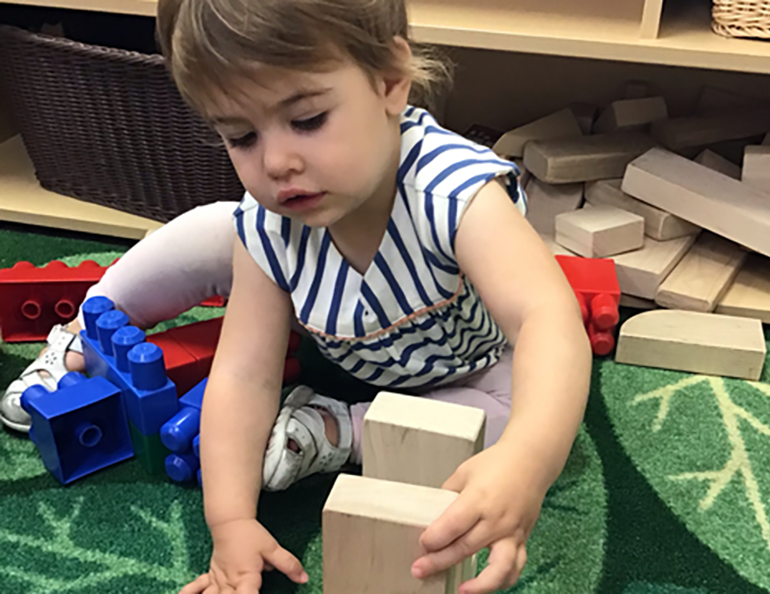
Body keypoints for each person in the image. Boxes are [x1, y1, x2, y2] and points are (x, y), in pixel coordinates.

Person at [2, 0, 593, 591]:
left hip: (468, 367)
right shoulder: (269, 221)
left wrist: (528, 460)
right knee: (212, 227)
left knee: (519, 414)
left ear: (390, 81)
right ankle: (84, 331)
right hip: (340, 329)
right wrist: (230, 521)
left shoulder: (455, 193)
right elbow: (244, 375)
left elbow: (547, 318)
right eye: (241, 136)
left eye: (307, 119)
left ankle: (336, 428)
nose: (278, 163)